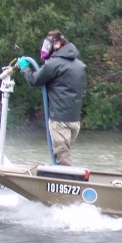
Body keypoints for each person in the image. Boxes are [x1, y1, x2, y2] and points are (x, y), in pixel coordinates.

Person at [18, 29, 87, 166]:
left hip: (59, 121)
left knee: (62, 159)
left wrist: (24, 68)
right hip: (74, 122)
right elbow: (83, 92)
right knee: (63, 154)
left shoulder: (54, 63)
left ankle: (67, 184)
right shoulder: (80, 65)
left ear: (56, 45)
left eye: (47, 44)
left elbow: (34, 80)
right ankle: (62, 177)